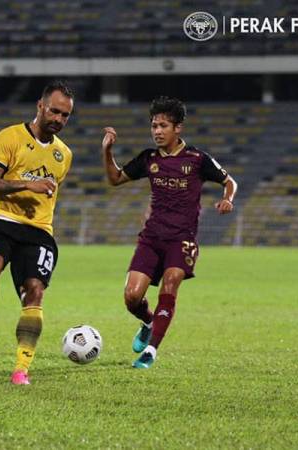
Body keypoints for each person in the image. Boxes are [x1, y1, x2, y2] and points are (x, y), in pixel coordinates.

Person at [100, 96, 237, 369]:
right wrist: (107, 151)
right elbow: (115, 179)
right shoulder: (148, 159)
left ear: (178, 128)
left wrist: (228, 199)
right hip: (151, 239)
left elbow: (229, 180)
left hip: (182, 238)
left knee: (171, 282)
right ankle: (149, 322)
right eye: (154, 126)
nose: (157, 131)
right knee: (131, 297)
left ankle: (151, 350)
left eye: (163, 125)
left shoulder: (197, 159)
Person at [0, 81, 74, 385]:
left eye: (65, 116)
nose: (59, 120)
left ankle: (21, 369)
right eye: (54, 111)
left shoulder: (64, 155)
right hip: (0, 218)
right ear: (40, 106)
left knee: (35, 290)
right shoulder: (9, 137)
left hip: (38, 230)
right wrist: (27, 184)